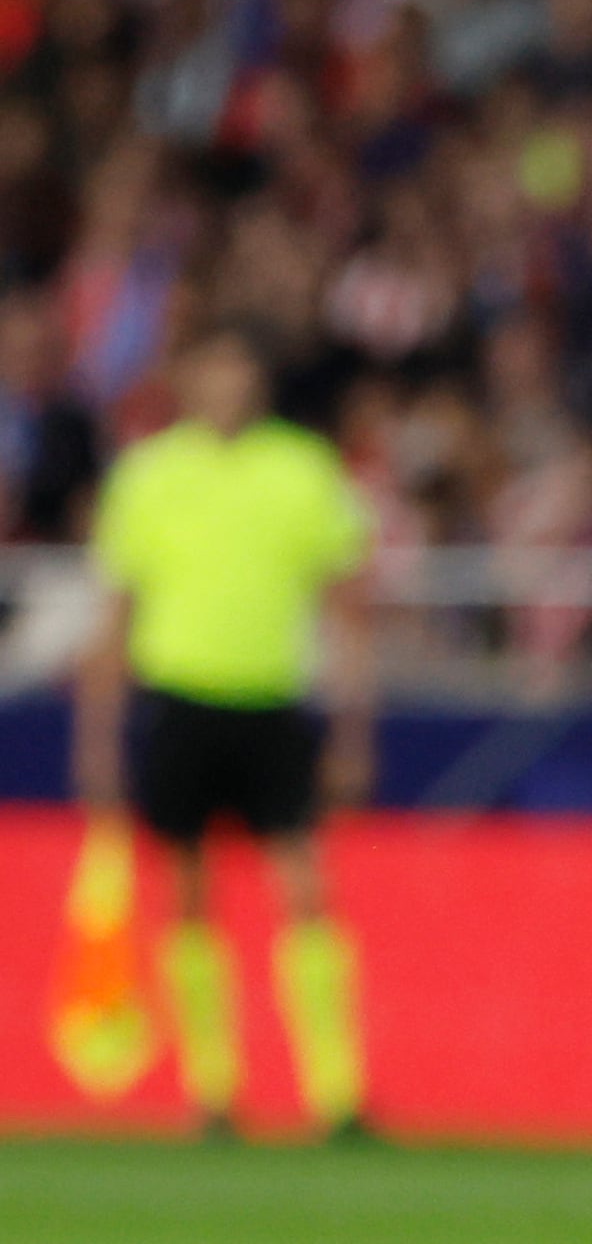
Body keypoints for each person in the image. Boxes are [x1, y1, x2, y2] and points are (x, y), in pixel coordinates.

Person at [70, 319, 377, 1141]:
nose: (228, 384)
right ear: (189, 379)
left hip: (273, 699)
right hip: (179, 695)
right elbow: (116, 611)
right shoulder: (149, 474)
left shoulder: (303, 469)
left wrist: (353, 727)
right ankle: (213, 1094)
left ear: (259, 381)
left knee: (307, 889)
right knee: (189, 896)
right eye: (213, 367)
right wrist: (96, 736)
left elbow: (348, 607)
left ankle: (337, 1095)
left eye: (240, 367)